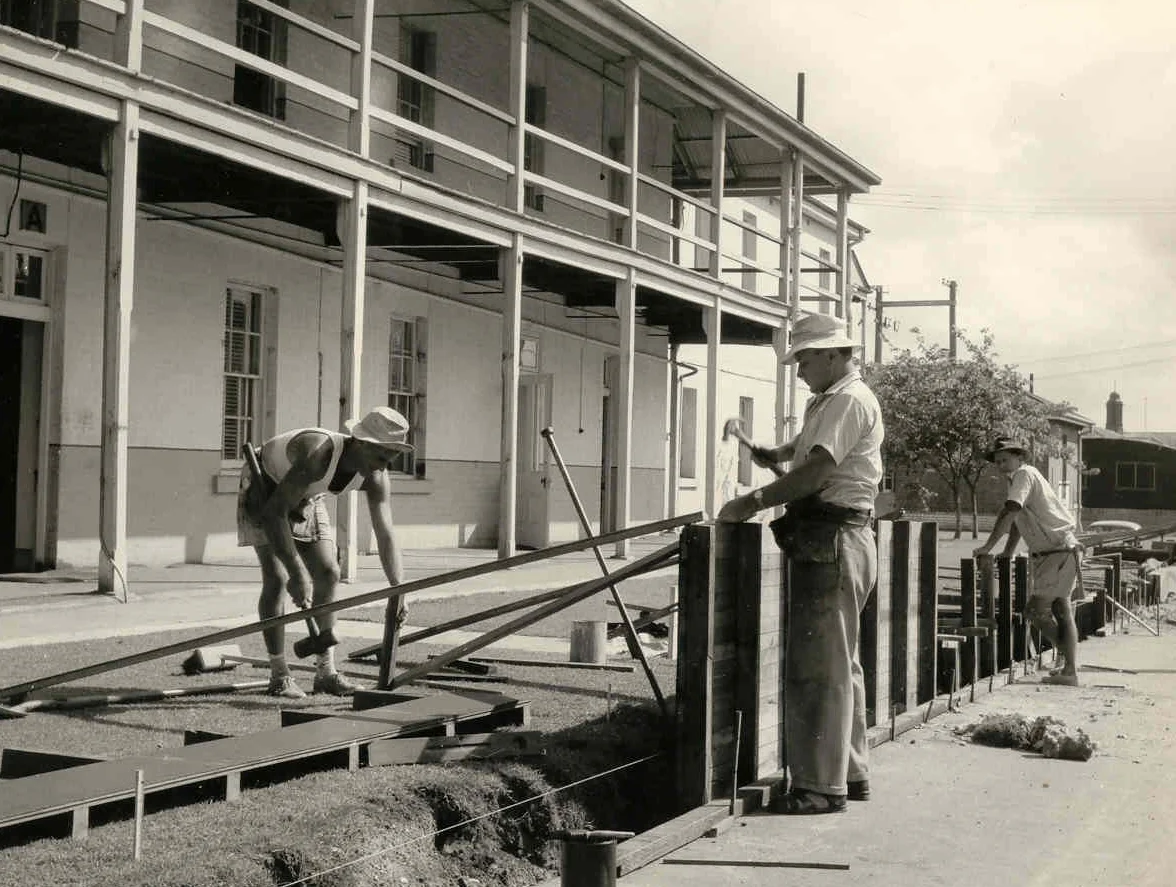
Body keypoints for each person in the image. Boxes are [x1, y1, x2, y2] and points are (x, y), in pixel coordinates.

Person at [717, 313, 884, 815]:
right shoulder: (829, 400)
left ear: (834, 354)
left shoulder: (849, 400)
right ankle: (849, 773)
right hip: (838, 537)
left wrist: (750, 502)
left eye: (805, 359)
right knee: (841, 664)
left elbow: (815, 472)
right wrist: (775, 451)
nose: (799, 369)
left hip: (833, 538)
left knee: (819, 669)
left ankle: (818, 788)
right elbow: (806, 449)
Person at [238, 406, 411, 699]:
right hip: (263, 482)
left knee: (329, 573)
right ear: (361, 443)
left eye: (390, 458)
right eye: (381, 457)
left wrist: (399, 590)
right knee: (278, 578)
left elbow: (385, 533)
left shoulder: (377, 475)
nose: (383, 466)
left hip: (307, 493)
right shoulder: (317, 454)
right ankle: (279, 675)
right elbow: (274, 513)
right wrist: (297, 572)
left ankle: (326, 674)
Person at [973, 436, 1082, 686]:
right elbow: (1017, 522)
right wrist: (1008, 551)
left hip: (1057, 550)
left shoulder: (1024, 475)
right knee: (1061, 611)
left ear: (1019, 457)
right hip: (1059, 550)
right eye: (998, 461)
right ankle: (1069, 669)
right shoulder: (1019, 480)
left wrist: (988, 547)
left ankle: (1068, 664)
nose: (1001, 465)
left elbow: (1010, 511)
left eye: (1005, 459)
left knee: (1035, 610)